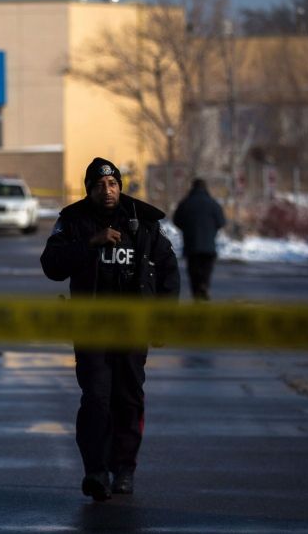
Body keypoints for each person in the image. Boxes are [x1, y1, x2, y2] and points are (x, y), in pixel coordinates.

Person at [41, 157, 180, 502]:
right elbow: (52, 265)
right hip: (91, 328)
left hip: (133, 328)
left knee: (128, 399)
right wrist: (90, 242)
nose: (108, 190)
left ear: (121, 186)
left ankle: (124, 470)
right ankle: (96, 471)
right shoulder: (73, 221)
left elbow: (168, 271)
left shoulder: (143, 222)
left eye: (113, 184)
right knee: (96, 399)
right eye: (100, 185)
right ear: (88, 189)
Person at [172, 178, 226, 301]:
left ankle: (196, 291)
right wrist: (212, 229)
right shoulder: (213, 203)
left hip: (191, 243)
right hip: (209, 245)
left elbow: (176, 220)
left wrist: (186, 228)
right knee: (206, 269)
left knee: (193, 269)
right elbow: (221, 222)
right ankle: (204, 286)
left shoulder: (186, 203)